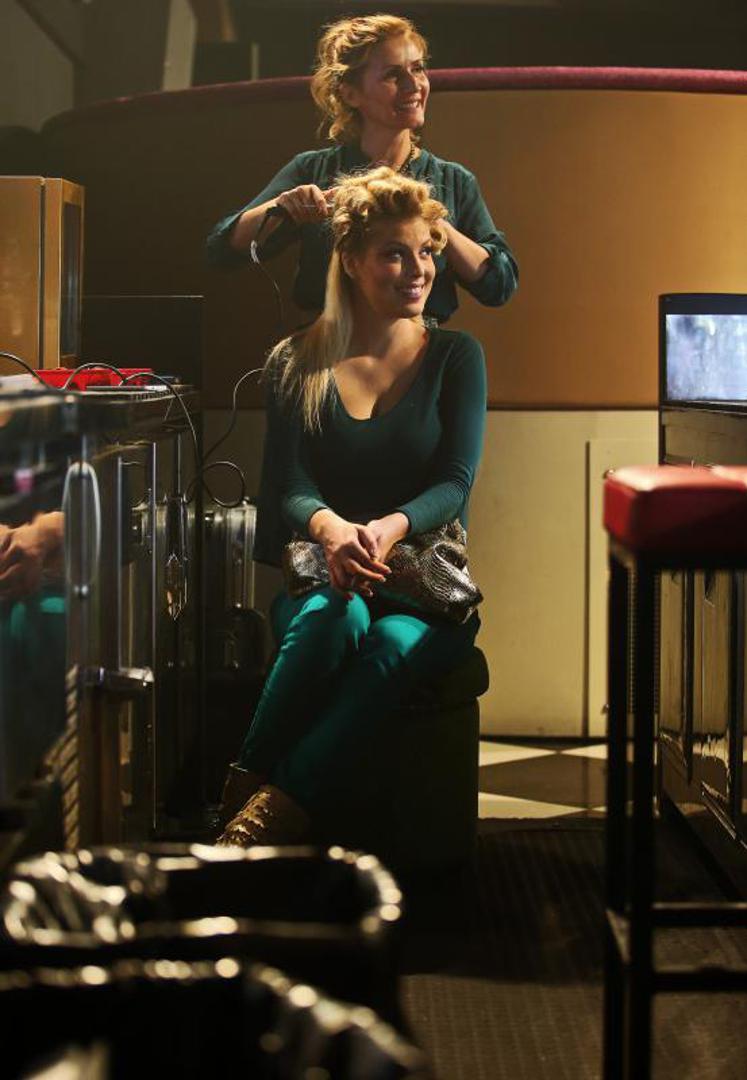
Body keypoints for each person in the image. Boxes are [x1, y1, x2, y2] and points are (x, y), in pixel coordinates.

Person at [216, 166, 487, 848]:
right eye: (395, 253)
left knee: (389, 646)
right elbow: (288, 483)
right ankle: (246, 800)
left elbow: (455, 482)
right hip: (326, 571)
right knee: (336, 618)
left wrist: (386, 529)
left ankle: (250, 818)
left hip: (425, 585)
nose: (418, 270)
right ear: (351, 261)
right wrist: (333, 530)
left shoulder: (456, 356)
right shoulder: (295, 360)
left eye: (425, 251)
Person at [206, 13, 517, 326]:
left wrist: (433, 223)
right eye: (393, 75)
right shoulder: (313, 169)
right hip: (328, 341)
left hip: (421, 346)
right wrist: (283, 206)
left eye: (418, 68)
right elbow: (221, 250)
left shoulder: (454, 180)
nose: (414, 85)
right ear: (350, 93)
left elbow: (500, 285)